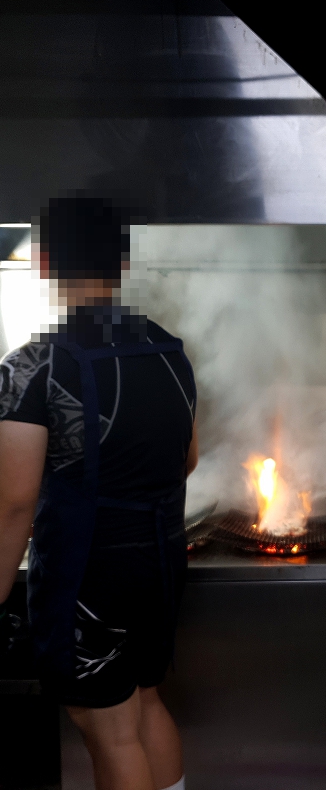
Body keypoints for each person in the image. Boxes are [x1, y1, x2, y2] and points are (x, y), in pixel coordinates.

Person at [0, 196, 198, 790]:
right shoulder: (170, 350)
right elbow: (187, 459)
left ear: (44, 262)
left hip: (90, 574)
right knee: (147, 701)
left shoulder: (35, 364)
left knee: (106, 727)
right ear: (120, 264)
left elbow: (13, 501)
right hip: (161, 560)